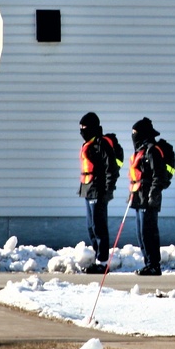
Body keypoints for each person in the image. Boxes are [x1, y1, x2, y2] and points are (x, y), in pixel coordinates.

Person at [77, 112, 117, 274]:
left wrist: (108, 190)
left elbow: (111, 169)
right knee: (91, 227)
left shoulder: (101, 144)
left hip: (98, 190)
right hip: (87, 189)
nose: (82, 131)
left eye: (84, 128)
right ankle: (97, 256)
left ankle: (103, 261)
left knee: (99, 226)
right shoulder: (89, 144)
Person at [129, 117, 167, 276]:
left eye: (135, 133)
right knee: (141, 234)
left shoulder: (152, 151)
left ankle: (154, 264)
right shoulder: (140, 151)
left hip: (148, 198)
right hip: (138, 197)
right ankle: (148, 263)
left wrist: (153, 195)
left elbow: (159, 175)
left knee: (148, 232)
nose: (133, 136)